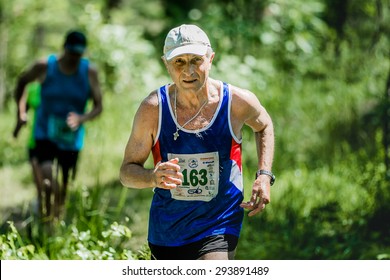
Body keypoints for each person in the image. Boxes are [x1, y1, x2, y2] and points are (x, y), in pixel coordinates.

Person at [119, 24, 275, 260]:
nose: (188, 71)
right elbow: (126, 172)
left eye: (196, 60)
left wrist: (264, 175)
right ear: (166, 64)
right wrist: (152, 177)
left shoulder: (236, 102)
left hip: (219, 221)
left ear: (210, 59)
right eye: (179, 62)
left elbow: (264, 125)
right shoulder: (153, 109)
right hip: (167, 229)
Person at [13, 30, 103, 221]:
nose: (74, 58)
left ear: (83, 52)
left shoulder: (89, 72)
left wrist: (81, 118)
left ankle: (54, 223)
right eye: (71, 53)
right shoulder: (45, 66)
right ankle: (44, 219)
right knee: (47, 182)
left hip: (71, 138)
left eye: (78, 54)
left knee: (64, 185)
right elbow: (22, 82)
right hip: (44, 132)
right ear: (65, 48)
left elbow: (98, 107)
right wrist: (21, 112)